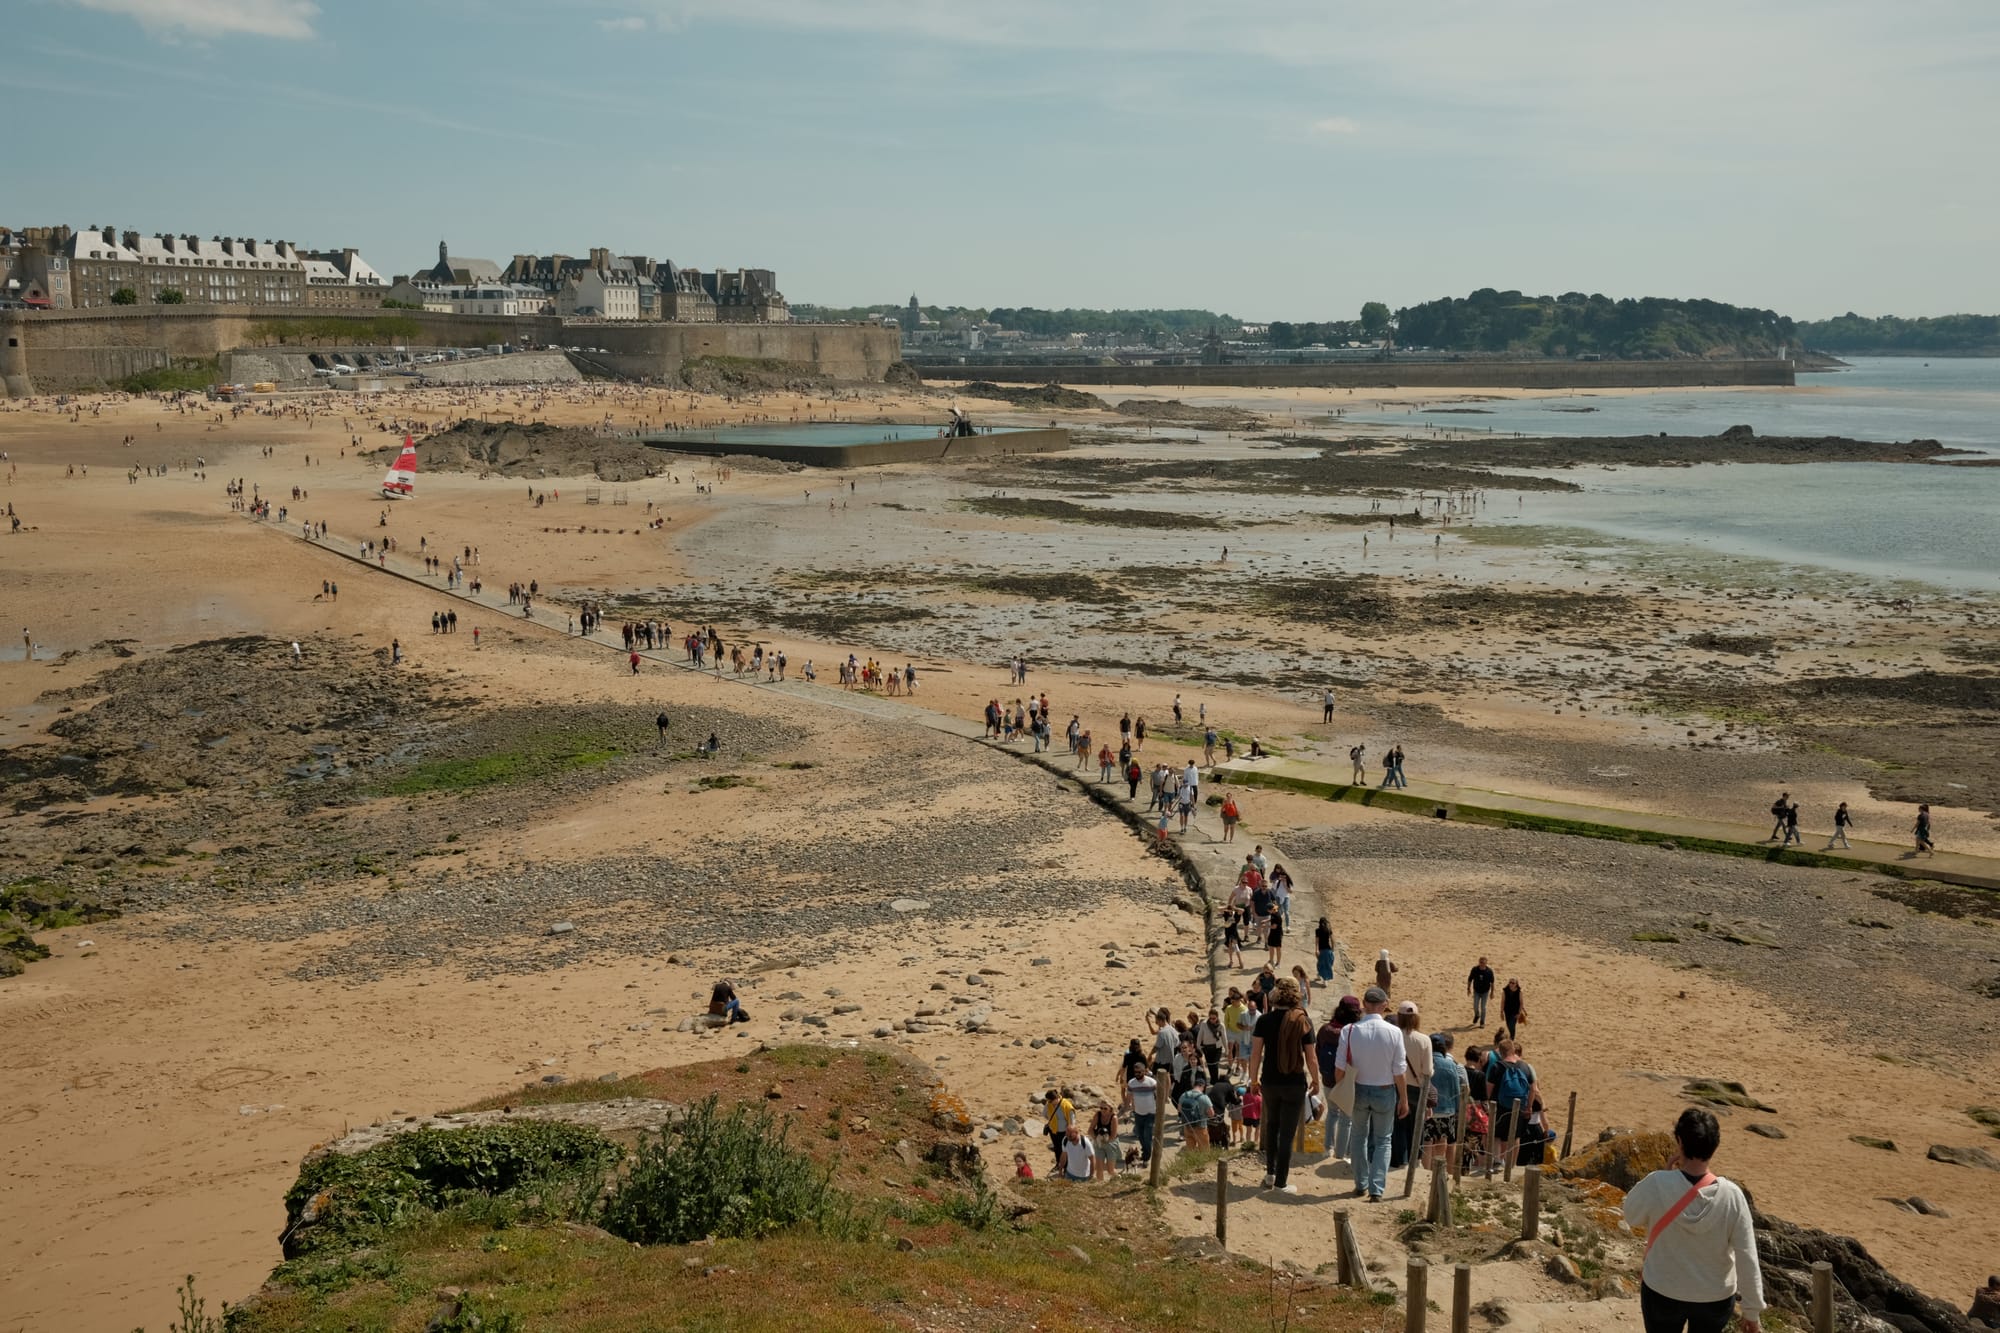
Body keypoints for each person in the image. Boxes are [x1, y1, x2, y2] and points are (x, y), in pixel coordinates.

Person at [1621, 1108, 1765, 1333]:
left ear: (1679, 1141)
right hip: (1714, 1297)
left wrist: (1664, 1175)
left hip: (1662, 1290)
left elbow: (1630, 1214)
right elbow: (1747, 1256)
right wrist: (1752, 1311)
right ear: (1714, 1146)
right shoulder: (1732, 1196)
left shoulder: (1657, 1183)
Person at [1333, 986, 1408, 1202]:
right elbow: (1399, 1072)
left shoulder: (1349, 1030)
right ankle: (1376, 1188)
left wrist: (1342, 1089)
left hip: (1358, 1088)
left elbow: (1339, 1068)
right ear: (1384, 1005)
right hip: (1384, 1090)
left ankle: (1361, 1183)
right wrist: (1403, 1099)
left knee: (1358, 1136)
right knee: (1384, 1140)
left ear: (1364, 1005)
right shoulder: (1394, 1032)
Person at [1248, 977, 1322, 1193]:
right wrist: (1316, 1080)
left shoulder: (1264, 1021)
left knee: (1272, 1126)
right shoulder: (1303, 1020)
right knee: (1287, 1133)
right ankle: (1281, 1182)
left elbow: (1255, 1055)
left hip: (1269, 1080)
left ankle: (1270, 1174)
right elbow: (1311, 1057)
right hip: (1294, 1081)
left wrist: (1253, 1080)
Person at [1389, 1000, 1433, 1170]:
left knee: (1398, 1124)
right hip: (1416, 1087)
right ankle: (1415, 1160)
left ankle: (1400, 1161)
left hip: (1396, 1085)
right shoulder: (1424, 1040)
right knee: (1416, 1126)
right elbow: (1428, 1070)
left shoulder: (1394, 1036)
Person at [1425, 1032, 1469, 1168]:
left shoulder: (1426, 1062)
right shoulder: (1451, 1065)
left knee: (1427, 1142)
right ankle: (1440, 1172)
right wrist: (1457, 1109)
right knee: (1442, 1140)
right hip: (1446, 1110)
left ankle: (1426, 1171)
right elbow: (1456, 1089)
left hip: (1428, 1109)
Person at [1126, 1066, 1159, 1167]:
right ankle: (1145, 1151)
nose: (1137, 1074)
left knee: (1147, 1136)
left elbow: (1158, 1096)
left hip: (1150, 1112)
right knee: (1140, 1135)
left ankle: (1146, 1158)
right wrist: (1130, 1109)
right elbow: (1129, 1097)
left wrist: (1158, 1109)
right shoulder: (1131, 1083)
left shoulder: (1152, 1082)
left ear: (1144, 1071)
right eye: (1135, 1072)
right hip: (1138, 1113)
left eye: (1139, 1072)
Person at [1177, 1077, 1215, 1148]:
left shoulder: (1184, 1095)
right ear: (1202, 1086)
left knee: (1190, 1150)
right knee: (1204, 1151)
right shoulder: (1204, 1098)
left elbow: (1179, 1109)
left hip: (1187, 1126)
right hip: (1201, 1127)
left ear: (1194, 1085)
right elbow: (1212, 1114)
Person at [1043, 1088, 1077, 1168]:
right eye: (1048, 1101)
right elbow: (1044, 1114)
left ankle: (1067, 1166)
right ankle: (1058, 1164)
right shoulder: (1049, 1104)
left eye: (1050, 1101)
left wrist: (1070, 1133)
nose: (1049, 1103)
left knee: (1065, 1150)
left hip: (1064, 1132)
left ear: (1056, 1098)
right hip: (1053, 1130)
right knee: (1057, 1148)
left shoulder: (1066, 1106)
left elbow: (1072, 1121)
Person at [1089, 1100, 1119, 1179]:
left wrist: (1105, 1141)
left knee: (1110, 1170)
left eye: (1105, 1108)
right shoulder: (1098, 1115)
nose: (1102, 1110)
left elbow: (1113, 1135)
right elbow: (1090, 1130)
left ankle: (1119, 1178)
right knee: (1099, 1169)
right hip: (1099, 1142)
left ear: (1110, 1108)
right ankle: (1100, 1186)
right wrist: (1097, 1138)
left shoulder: (1114, 1118)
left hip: (1111, 1143)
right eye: (1101, 1108)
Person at [1467, 955, 1495, 1027]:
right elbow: (1470, 979)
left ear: (1486, 963)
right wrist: (1468, 988)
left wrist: (1492, 993)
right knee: (1475, 1005)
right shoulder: (1475, 970)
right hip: (1476, 991)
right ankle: (1477, 1015)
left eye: (1483, 962)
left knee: (1483, 1007)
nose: (1482, 964)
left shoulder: (1489, 971)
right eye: (1480, 962)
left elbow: (1492, 983)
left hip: (1485, 992)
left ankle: (1482, 1022)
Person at [1315, 916, 1335, 984]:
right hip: (1327, 950)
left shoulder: (1318, 930)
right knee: (1326, 964)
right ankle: (1324, 978)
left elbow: (1317, 941)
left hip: (1321, 950)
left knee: (1321, 963)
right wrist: (1332, 948)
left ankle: (1321, 976)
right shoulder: (1329, 930)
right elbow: (1332, 940)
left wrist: (1316, 949)